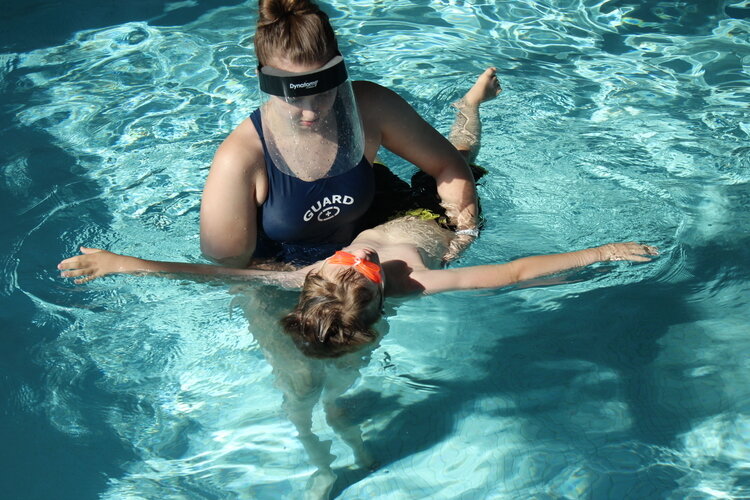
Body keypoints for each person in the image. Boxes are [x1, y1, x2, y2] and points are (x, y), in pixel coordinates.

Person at [58, 217, 658, 357]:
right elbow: (516, 272)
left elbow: (209, 274)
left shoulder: (308, 276)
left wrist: (125, 261)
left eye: (345, 259)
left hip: (382, 204)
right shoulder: (421, 281)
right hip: (432, 220)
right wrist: (602, 252)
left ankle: (470, 101)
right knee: (462, 165)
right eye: (362, 264)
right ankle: (472, 104)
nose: (360, 254)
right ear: (378, 292)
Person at [199, 0, 498, 267]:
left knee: (459, 162)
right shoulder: (240, 158)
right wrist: (318, 274)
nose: (311, 113)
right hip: (287, 265)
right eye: (295, 100)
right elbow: (230, 268)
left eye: (323, 95)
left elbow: (447, 166)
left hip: (376, 224)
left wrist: (465, 234)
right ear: (263, 81)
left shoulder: (369, 107)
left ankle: (469, 104)